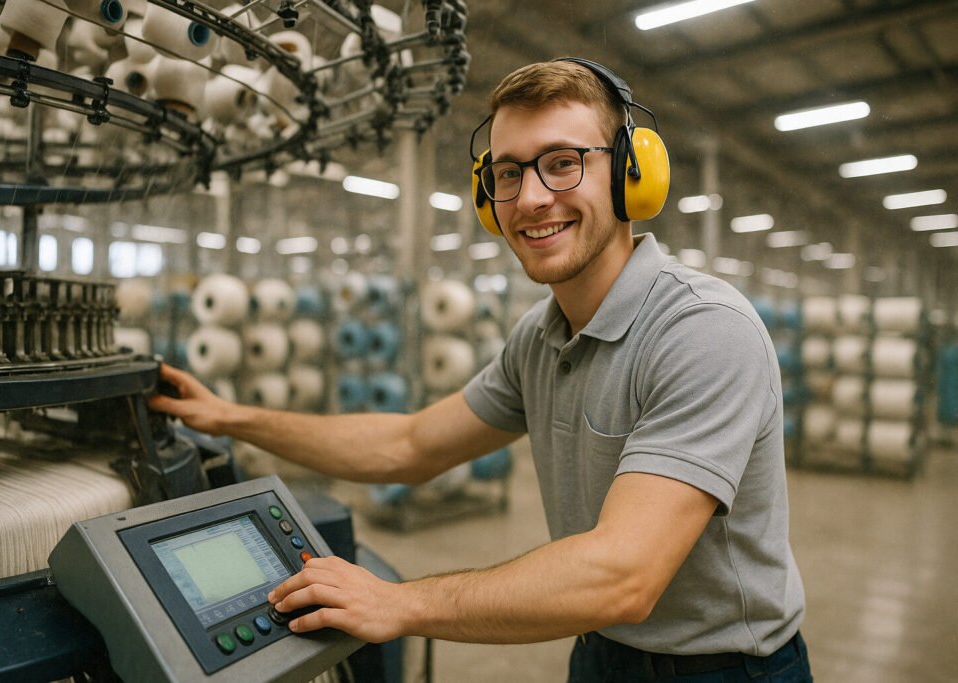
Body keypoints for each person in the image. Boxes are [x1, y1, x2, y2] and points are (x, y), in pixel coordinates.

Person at [149, 58, 811, 682]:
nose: (530, 198)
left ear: (631, 175)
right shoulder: (542, 336)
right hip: (600, 652)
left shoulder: (701, 329)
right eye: (508, 172)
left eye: (563, 163)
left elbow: (624, 574)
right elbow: (408, 445)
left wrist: (399, 603)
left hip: (726, 668)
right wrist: (230, 417)